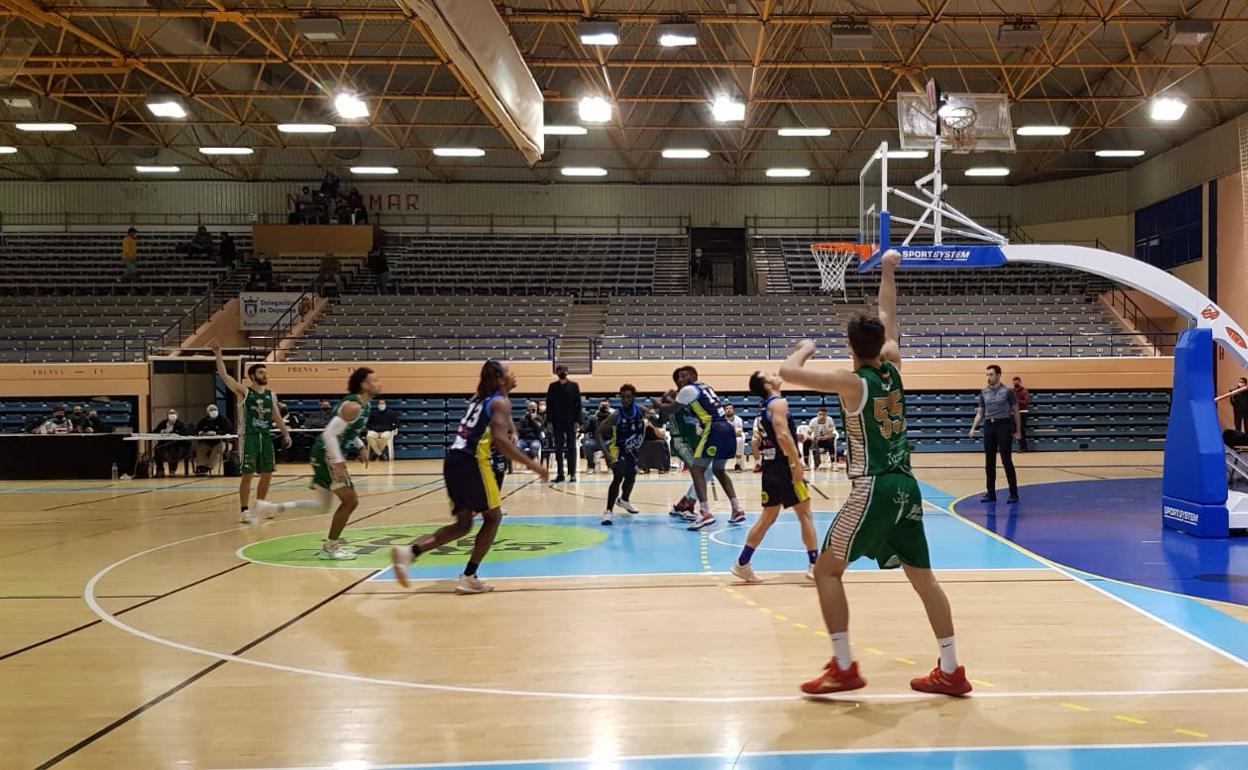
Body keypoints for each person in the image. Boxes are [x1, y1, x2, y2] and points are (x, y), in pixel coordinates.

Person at [779, 250, 972, 697]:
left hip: (874, 486)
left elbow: (788, 372)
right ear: (881, 341)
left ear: (850, 347)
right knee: (925, 580)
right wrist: (888, 270)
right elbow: (888, 310)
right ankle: (951, 668)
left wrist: (804, 348)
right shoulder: (894, 365)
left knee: (827, 571)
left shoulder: (852, 382)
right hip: (907, 485)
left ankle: (844, 667)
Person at [390, 361, 549, 593]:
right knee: (493, 518)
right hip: (473, 462)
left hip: (453, 460)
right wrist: (535, 466)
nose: (514, 375)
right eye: (509, 372)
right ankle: (469, 576)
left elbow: (501, 423)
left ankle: (410, 552)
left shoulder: (481, 398)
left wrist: (512, 429)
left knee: (463, 525)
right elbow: (501, 442)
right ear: (500, 379)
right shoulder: (500, 402)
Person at [252, 368, 380, 560]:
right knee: (350, 501)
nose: (379, 383)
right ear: (364, 384)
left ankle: (269, 508)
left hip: (326, 453)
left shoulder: (364, 405)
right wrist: (337, 463)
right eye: (375, 380)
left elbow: (347, 430)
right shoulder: (352, 406)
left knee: (322, 506)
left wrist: (360, 445)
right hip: (327, 453)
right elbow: (330, 433)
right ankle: (330, 547)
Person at [732, 371, 820, 584]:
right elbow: (782, 435)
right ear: (767, 385)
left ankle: (742, 563)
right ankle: (815, 565)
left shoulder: (765, 406)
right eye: (769, 374)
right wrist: (796, 462)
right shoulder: (778, 402)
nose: (774, 374)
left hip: (771, 467)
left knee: (768, 517)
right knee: (805, 513)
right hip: (784, 466)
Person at [212, 341, 292, 523]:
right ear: (252, 376)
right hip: (249, 436)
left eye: (265, 372)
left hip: (265, 437)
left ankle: (261, 506)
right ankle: (244, 510)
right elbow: (224, 376)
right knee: (248, 474)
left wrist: (285, 433)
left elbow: (277, 416)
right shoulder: (244, 391)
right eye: (261, 372)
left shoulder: (270, 394)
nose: (264, 375)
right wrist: (218, 354)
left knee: (267, 473)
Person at [673, 366, 746, 529]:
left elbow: (670, 409)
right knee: (719, 471)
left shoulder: (689, 389)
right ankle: (737, 509)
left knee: (696, 469)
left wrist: (656, 405)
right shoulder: (705, 386)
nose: (680, 380)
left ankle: (704, 512)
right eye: (678, 377)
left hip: (714, 428)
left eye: (683, 376)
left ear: (693, 376)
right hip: (727, 428)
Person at [595, 384, 650, 525]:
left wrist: (660, 411)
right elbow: (598, 433)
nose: (625, 400)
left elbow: (658, 420)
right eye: (623, 397)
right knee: (618, 476)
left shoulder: (641, 410)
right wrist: (607, 455)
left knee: (631, 476)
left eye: (628, 397)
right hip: (617, 450)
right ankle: (608, 511)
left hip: (633, 449)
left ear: (634, 398)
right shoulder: (616, 415)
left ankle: (624, 500)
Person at [970, 365, 1021, 503]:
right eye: (987, 374)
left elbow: (1016, 411)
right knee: (989, 462)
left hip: (1003, 425)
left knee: (1006, 460)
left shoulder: (1007, 391)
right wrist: (973, 427)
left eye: (991, 374)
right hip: (989, 426)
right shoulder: (984, 392)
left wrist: (1018, 431)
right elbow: (980, 412)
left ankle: (1013, 493)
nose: (988, 377)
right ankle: (990, 493)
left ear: (998, 375)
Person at [544, 365, 582, 482]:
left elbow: (578, 405)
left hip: (571, 421)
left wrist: (577, 421)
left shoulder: (574, 386)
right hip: (557, 421)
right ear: (556, 372)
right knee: (558, 448)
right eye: (560, 370)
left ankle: (573, 473)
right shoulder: (552, 386)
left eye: (564, 370)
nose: (562, 372)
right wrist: (549, 421)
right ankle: (560, 474)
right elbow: (549, 405)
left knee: (572, 447)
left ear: (567, 372)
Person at [195, 404, 234, 475]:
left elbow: (229, 430)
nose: (213, 411)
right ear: (207, 412)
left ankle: (209, 466)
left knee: (219, 448)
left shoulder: (223, 420)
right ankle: (202, 467)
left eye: (215, 409)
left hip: (223, 443)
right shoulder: (203, 420)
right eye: (211, 410)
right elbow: (196, 430)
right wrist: (202, 433)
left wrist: (216, 433)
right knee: (200, 448)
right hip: (208, 442)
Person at [152, 409, 190, 477]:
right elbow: (154, 432)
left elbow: (185, 433)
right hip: (163, 444)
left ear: (177, 415)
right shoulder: (163, 423)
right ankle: (160, 470)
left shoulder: (180, 424)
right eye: (170, 413)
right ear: (167, 415)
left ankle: (172, 470)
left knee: (174, 450)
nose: (172, 415)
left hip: (177, 444)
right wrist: (162, 431)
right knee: (157, 449)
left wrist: (174, 433)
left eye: (173, 413)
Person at [364, 398, 400, 464]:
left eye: (383, 403)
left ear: (386, 405)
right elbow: (368, 424)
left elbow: (397, 423)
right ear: (378, 405)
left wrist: (390, 428)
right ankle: (380, 454)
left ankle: (376, 453)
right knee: (369, 436)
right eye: (380, 403)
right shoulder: (373, 413)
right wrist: (372, 428)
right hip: (375, 431)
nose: (381, 405)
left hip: (386, 431)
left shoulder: (391, 413)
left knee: (385, 436)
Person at [581, 399, 611, 473]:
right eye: (602, 405)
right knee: (588, 445)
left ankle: (610, 466)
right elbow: (585, 430)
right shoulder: (592, 417)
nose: (604, 407)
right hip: (595, 440)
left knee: (610, 445)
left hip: (607, 440)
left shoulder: (612, 417)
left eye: (605, 405)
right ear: (598, 407)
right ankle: (591, 466)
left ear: (609, 407)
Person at [1012, 377, 1031, 452]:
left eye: (1017, 382)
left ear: (1020, 382)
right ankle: (1022, 446)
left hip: (1023, 412)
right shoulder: (1012, 391)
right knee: (1015, 430)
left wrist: (1017, 401)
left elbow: (1026, 402)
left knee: (1021, 430)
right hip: (1014, 413)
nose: (1015, 384)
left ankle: (1023, 447)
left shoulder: (1024, 391)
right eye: (1014, 383)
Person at [725, 403, 746, 471]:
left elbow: (739, 433)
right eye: (727, 408)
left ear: (733, 410)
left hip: (734, 437)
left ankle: (738, 464)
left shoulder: (738, 419)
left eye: (730, 408)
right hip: (724, 438)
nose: (729, 410)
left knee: (739, 439)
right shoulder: (721, 419)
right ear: (724, 410)